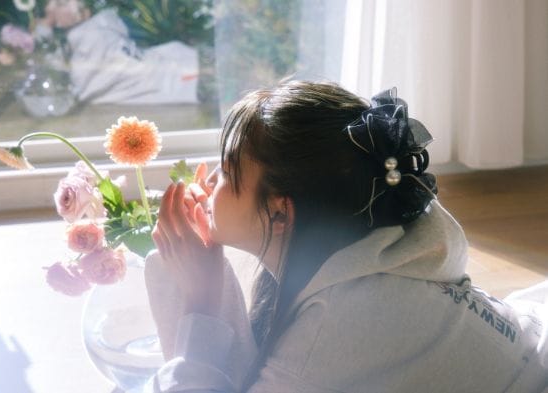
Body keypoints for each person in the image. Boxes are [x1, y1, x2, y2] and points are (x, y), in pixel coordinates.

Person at [144, 80, 548, 392]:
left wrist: (202, 294)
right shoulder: (375, 239)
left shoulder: (334, 327)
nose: (209, 179)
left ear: (281, 213)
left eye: (228, 175)